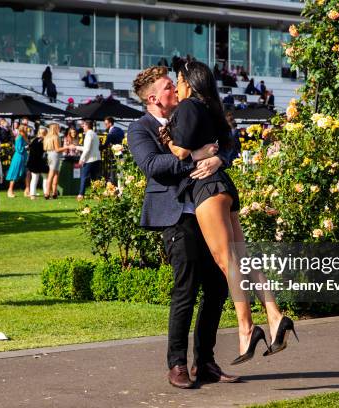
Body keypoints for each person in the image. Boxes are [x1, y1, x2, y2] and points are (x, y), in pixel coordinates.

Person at [161, 60, 297, 365]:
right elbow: (227, 144)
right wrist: (216, 157)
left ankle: (247, 328)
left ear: (190, 83)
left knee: (228, 261)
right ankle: (275, 316)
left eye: (179, 81)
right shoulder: (212, 109)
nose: (177, 86)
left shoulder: (186, 107)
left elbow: (182, 153)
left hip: (206, 189)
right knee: (243, 258)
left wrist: (167, 139)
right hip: (225, 186)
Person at [128, 66, 239, 389]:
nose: (174, 90)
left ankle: (205, 362)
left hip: (210, 210)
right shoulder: (140, 129)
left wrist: (219, 160)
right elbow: (152, 166)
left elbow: (228, 143)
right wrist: (195, 158)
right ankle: (177, 364)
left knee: (218, 289)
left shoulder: (194, 113)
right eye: (167, 88)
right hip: (178, 217)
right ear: (153, 98)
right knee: (185, 291)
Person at [73, 120, 101, 200]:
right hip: (97, 158)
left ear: (87, 126)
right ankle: (95, 194)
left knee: (84, 177)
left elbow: (87, 149)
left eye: (84, 126)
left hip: (90, 159)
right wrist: (76, 147)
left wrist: (82, 159)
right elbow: (88, 148)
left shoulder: (88, 134)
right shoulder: (95, 134)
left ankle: (81, 194)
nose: (83, 127)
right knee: (94, 178)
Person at [42, 123, 67, 199]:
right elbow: (57, 149)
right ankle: (47, 193)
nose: (59, 129)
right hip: (55, 156)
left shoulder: (47, 137)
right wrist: (67, 147)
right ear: (55, 128)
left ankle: (54, 192)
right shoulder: (56, 137)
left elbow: (45, 148)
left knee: (55, 174)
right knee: (52, 174)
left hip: (50, 155)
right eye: (58, 127)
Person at [5, 124, 30, 198]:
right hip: (18, 158)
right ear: (22, 130)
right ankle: (10, 190)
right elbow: (19, 149)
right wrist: (27, 147)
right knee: (14, 173)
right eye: (26, 128)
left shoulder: (24, 137)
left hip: (23, 157)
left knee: (26, 173)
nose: (27, 129)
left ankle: (27, 190)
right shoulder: (19, 138)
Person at [27, 127, 50, 200]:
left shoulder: (34, 140)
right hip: (39, 161)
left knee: (35, 178)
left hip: (35, 161)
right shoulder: (44, 140)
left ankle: (33, 195)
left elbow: (29, 148)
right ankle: (45, 194)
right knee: (45, 178)